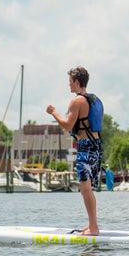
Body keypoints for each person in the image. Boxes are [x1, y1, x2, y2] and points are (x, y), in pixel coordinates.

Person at [46, 66, 102, 236]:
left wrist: (53, 112)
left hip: (86, 147)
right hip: (97, 145)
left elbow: (68, 125)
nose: (68, 85)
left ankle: (93, 228)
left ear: (77, 82)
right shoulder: (94, 99)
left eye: (70, 81)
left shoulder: (76, 101)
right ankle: (92, 225)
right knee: (88, 188)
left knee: (85, 188)